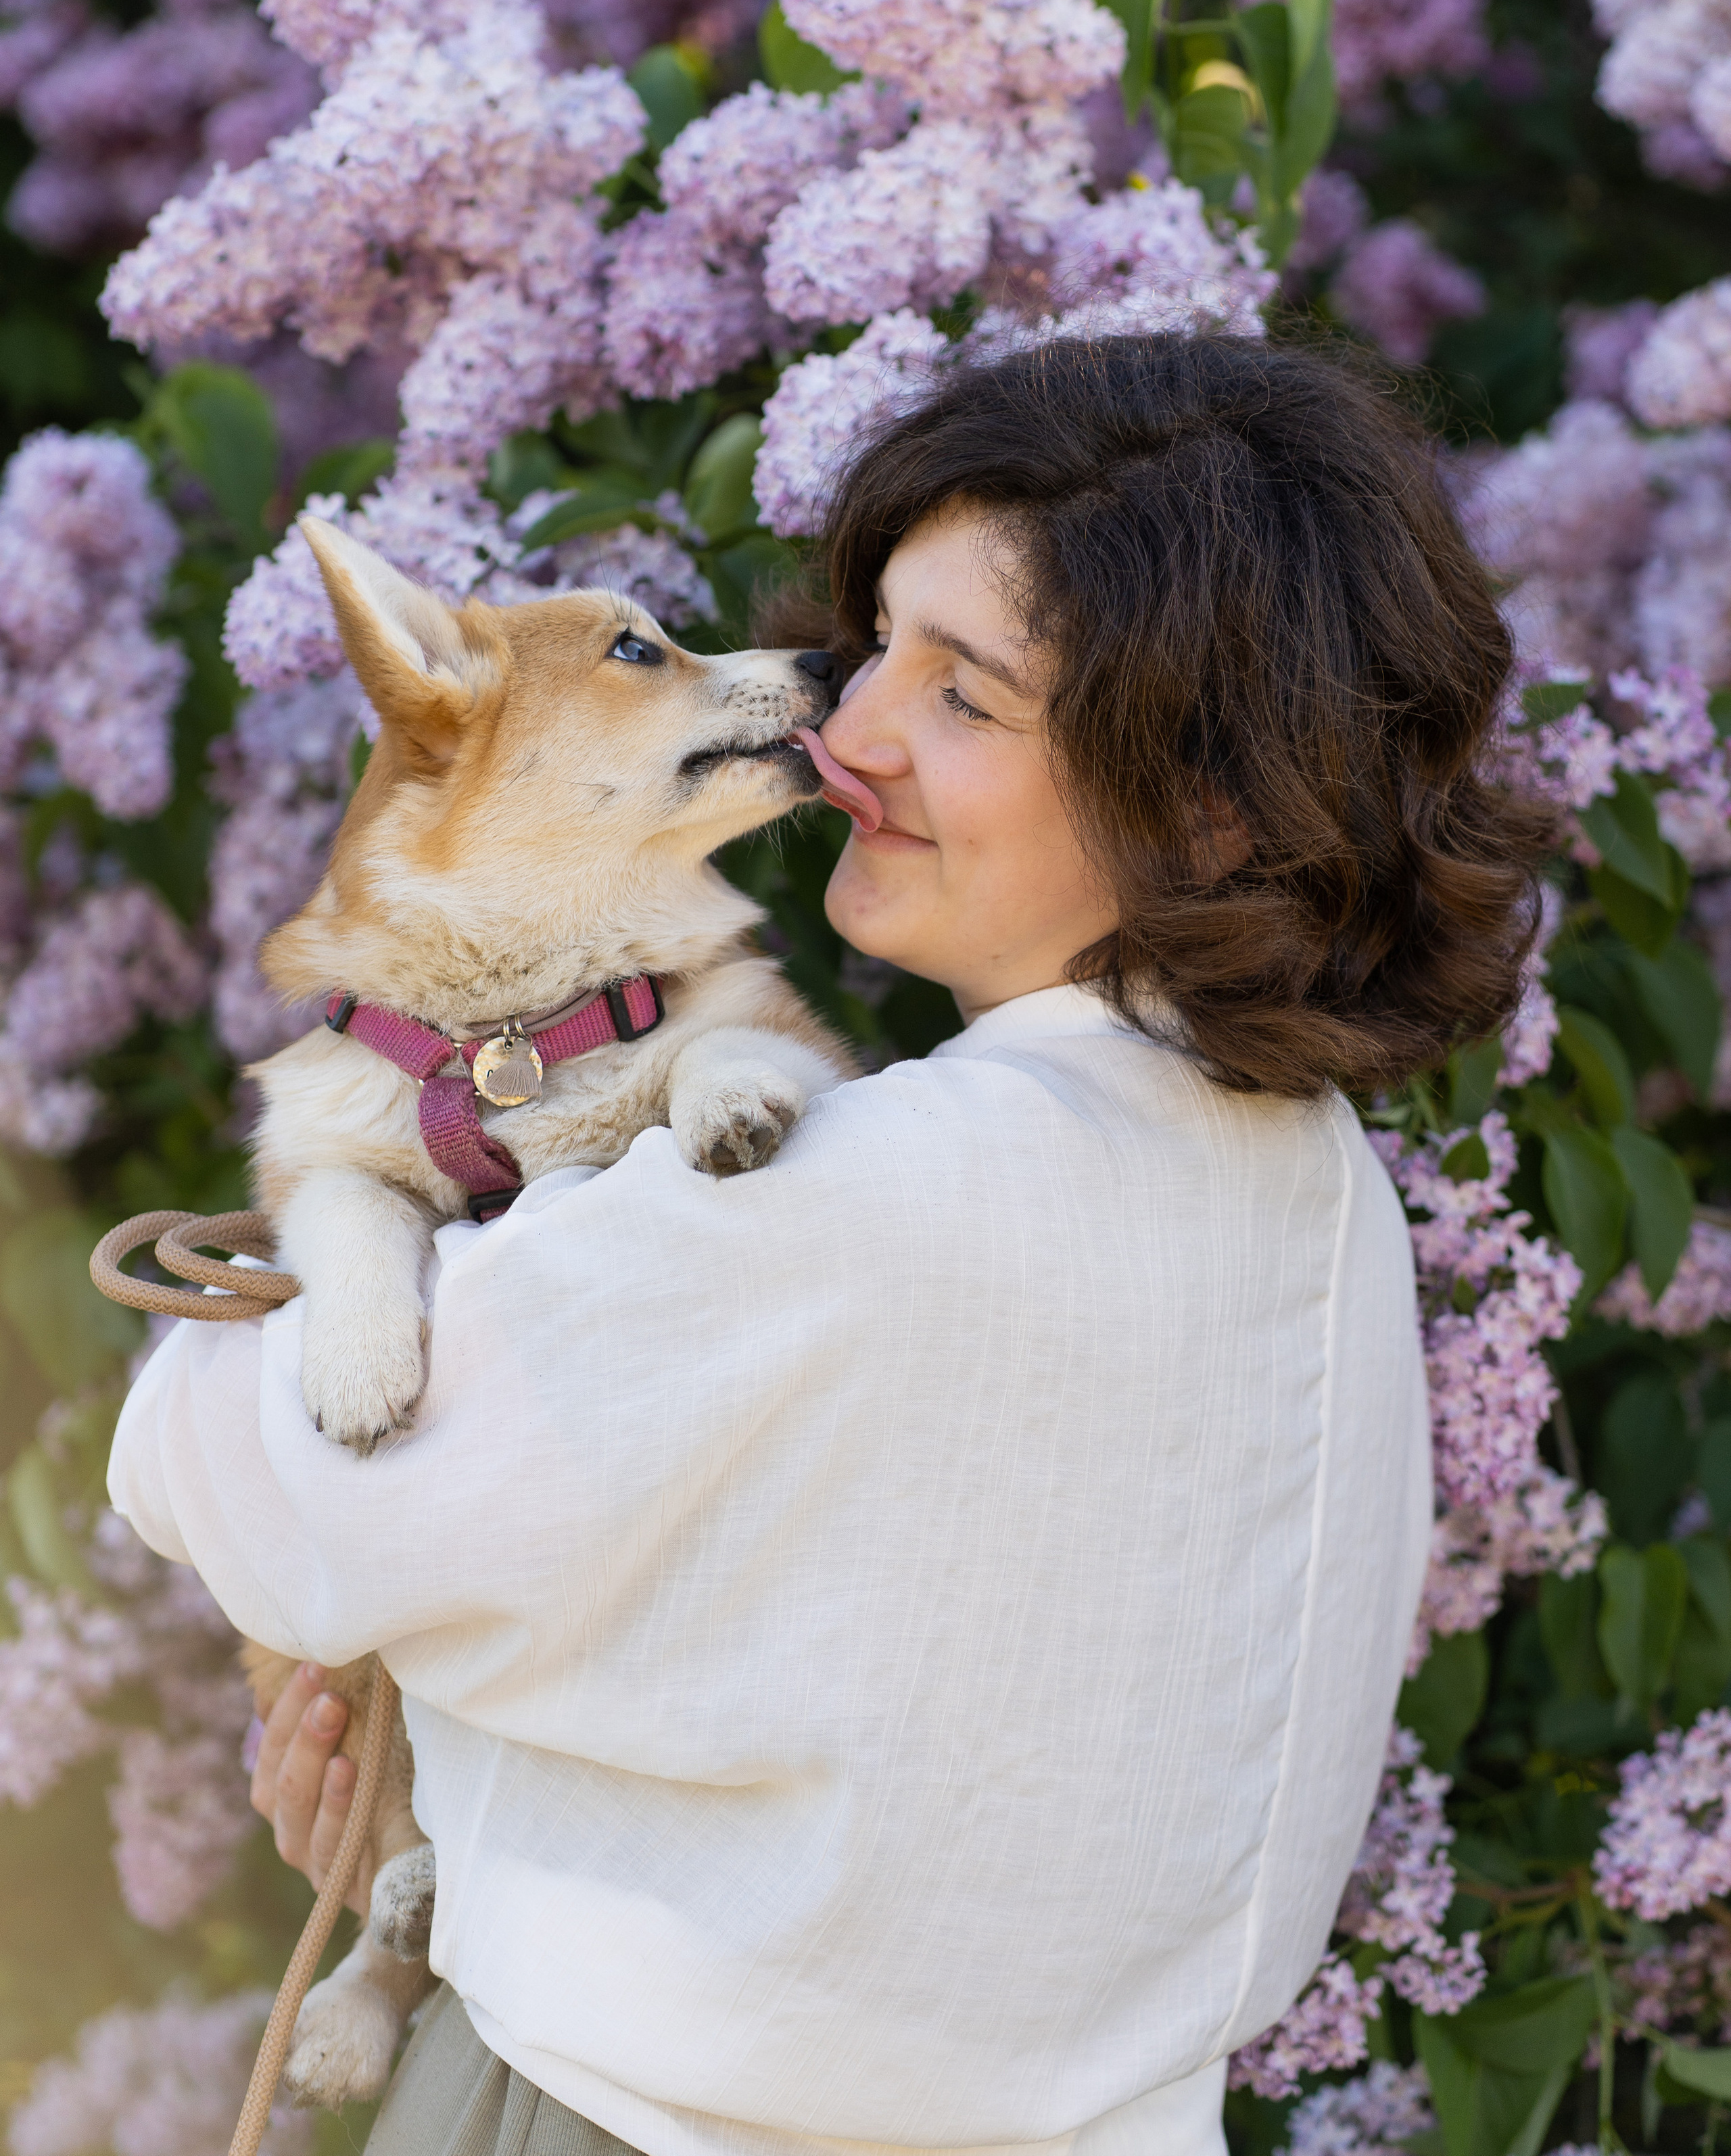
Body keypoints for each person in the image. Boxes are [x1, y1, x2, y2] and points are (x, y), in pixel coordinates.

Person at [108, 332, 1553, 2156]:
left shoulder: (838, 1199)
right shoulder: (1324, 1202)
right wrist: (460, 1782)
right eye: (879, 642)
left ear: (1209, 803)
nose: (847, 730)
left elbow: (223, 1468)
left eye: (966, 697)